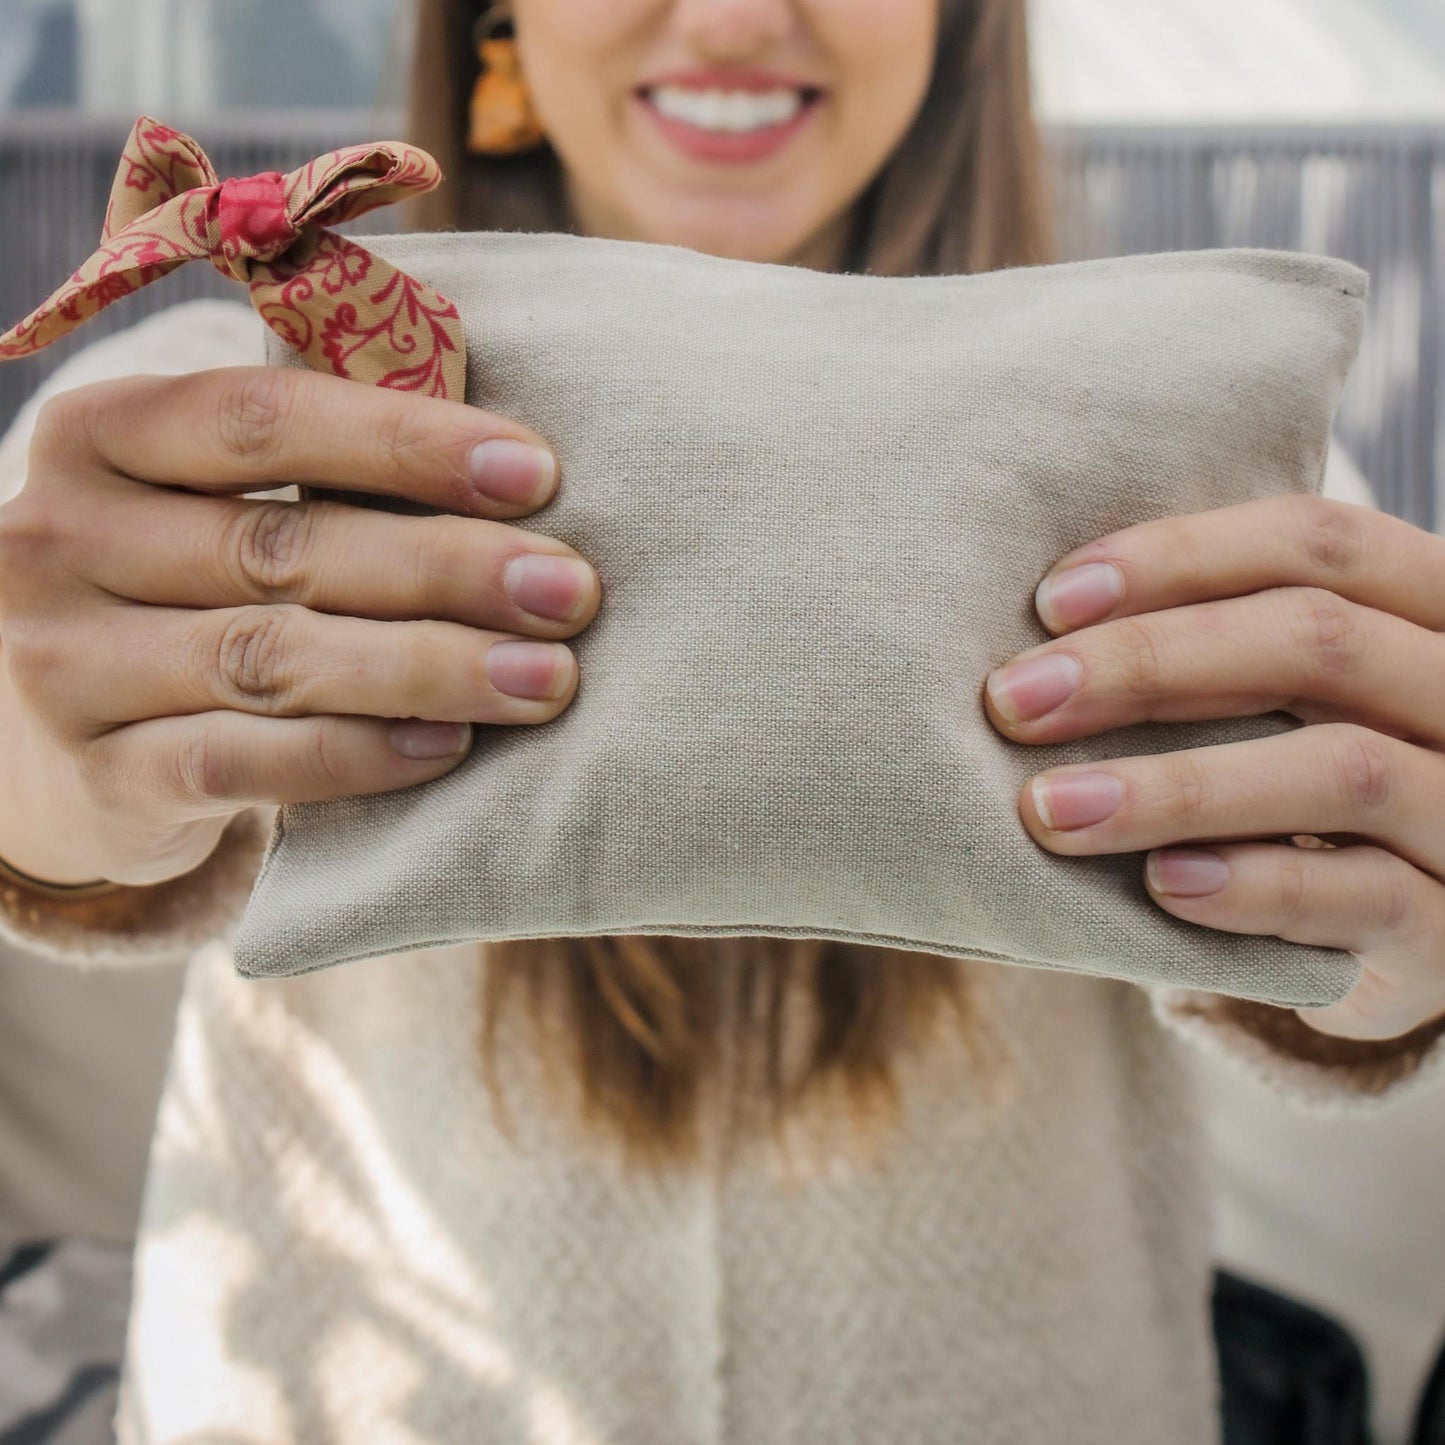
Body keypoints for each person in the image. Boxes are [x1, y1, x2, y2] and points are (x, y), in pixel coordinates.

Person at [0, 2, 1443, 1441]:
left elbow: (1347, 927)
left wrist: (1386, 953)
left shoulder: (1191, 436)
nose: (740, 15)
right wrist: (48, 786)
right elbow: (47, 732)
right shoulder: (229, 393)